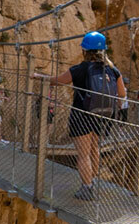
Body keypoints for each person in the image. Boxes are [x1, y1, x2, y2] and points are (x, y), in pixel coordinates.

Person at [37, 31, 129, 200]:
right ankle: (91, 181)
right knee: (95, 149)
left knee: (83, 154)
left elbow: (58, 80)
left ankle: (87, 188)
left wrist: (38, 77)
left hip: (82, 116)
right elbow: (122, 93)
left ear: (85, 51)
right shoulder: (113, 70)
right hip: (103, 116)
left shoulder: (80, 69)